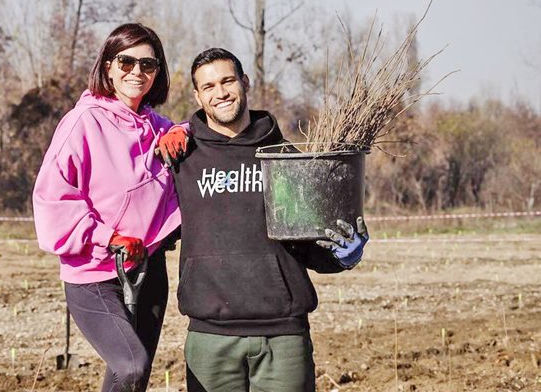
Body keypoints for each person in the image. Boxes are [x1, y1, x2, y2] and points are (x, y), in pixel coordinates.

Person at [172, 48, 369, 392]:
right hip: (210, 338)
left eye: (228, 80)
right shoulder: (182, 159)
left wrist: (341, 255)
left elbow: (310, 246)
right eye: (209, 86)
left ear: (244, 82)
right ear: (197, 95)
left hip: (283, 337)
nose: (220, 93)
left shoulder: (285, 159)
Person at [32, 23, 188, 392]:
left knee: (135, 377)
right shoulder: (83, 123)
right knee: (130, 364)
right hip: (95, 274)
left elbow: (194, 133)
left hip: (148, 270)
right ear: (107, 66)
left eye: (148, 65)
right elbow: (51, 197)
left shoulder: (156, 127)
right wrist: (108, 237)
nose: (137, 72)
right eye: (126, 61)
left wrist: (184, 130)